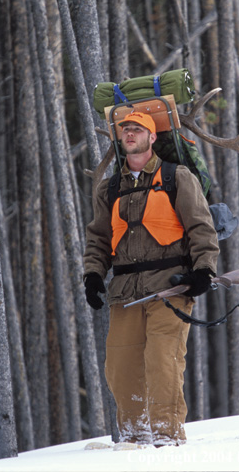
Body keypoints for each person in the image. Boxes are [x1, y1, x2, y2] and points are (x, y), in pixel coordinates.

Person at [83, 111, 219, 447]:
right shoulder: (110, 188)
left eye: (137, 129)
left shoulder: (178, 177)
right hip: (125, 292)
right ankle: (133, 438)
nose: (129, 134)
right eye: (125, 129)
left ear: (152, 136)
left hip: (169, 288)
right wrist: (92, 275)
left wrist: (203, 270)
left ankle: (167, 438)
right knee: (120, 368)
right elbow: (99, 239)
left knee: (163, 364)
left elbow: (202, 227)